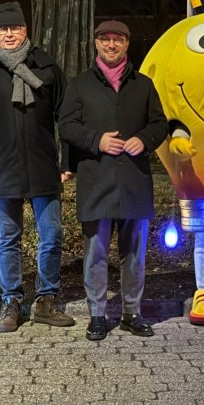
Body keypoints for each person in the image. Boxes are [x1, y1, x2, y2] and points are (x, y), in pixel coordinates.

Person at [0, 1, 75, 333]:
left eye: (14, 28)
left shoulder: (46, 66)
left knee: (52, 235)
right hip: (2, 166)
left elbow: (67, 118)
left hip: (43, 166)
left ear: (26, 30)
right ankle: (10, 302)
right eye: (2, 29)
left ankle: (45, 300)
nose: (8, 34)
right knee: (8, 238)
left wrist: (67, 161)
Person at [60, 20, 167, 341]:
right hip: (97, 179)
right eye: (104, 39)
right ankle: (97, 315)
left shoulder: (144, 84)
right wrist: (96, 140)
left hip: (134, 180)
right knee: (95, 252)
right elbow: (66, 125)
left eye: (117, 40)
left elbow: (160, 123)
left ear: (127, 44)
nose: (110, 45)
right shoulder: (79, 85)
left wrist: (144, 140)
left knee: (134, 253)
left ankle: (132, 313)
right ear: (95, 44)